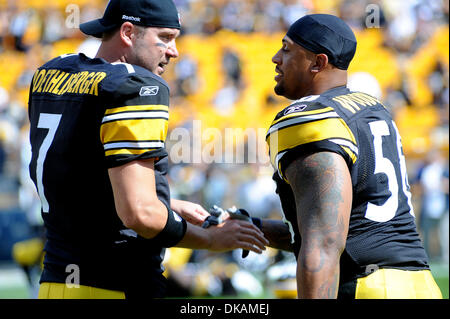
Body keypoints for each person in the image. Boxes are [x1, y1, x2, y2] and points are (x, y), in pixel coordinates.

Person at [27, 0, 268, 299]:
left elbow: (78, 178)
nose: (174, 51)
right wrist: (210, 238)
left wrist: (165, 202)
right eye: (165, 38)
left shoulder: (52, 72)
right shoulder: (136, 85)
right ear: (128, 32)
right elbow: (139, 214)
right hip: (115, 285)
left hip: (56, 283)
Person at [255, 14, 442, 299]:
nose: (275, 58)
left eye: (287, 49)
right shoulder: (370, 108)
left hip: (368, 285)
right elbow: (351, 225)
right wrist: (252, 228)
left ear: (318, 63)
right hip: (422, 284)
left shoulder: (310, 118)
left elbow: (325, 240)